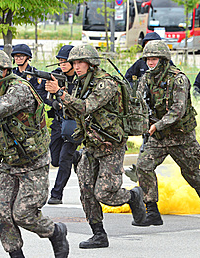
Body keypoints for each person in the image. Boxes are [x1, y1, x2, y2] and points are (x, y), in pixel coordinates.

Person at [0, 48, 69, 258]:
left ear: (4, 69)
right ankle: (16, 255)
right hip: (9, 161)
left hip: (32, 161)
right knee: (2, 214)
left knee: (24, 214)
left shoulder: (19, 89)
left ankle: (55, 232)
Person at [45, 44, 146, 249]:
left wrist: (61, 94)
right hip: (91, 145)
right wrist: (59, 99)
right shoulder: (82, 83)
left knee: (105, 193)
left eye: (80, 62)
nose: (77, 66)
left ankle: (133, 196)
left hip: (111, 145)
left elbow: (86, 107)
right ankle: (99, 234)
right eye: (74, 63)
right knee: (86, 191)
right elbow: (74, 113)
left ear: (91, 64)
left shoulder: (105, 83)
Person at [132, 40, 200, 233]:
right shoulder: (145, 79)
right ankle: (152, 210)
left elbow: (177, 110)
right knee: (143, 166)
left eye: (154, 59)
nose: (150, 63)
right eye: (148, 59)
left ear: (163, 60)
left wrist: (157, 125)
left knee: (192, 174)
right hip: (158, 137)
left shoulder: (178, 79)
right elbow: (138, 103)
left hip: (181, 136)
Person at [47, 45, 82, 205]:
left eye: (65, 61)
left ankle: (56, 194)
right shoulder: (55, 76)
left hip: (74, 123)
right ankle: (77, 156)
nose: (62, 64)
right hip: (58, 122)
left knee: (64, 159)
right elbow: (44, 94)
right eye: (60, 61)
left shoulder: (81, 78)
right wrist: (54, 103)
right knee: (54, 159)